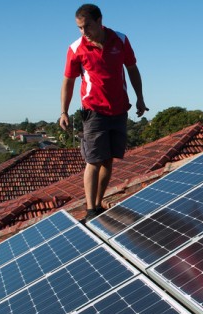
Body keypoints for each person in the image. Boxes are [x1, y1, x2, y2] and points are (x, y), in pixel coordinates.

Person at [59, 3, 147, 222]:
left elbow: (132, 68)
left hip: (119, 109)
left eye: (87, 26)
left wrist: (140, 98)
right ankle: (90, 210)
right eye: (79, 27)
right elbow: (68, 81)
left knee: (108, 160)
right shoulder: (76, 48)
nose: (83, 31)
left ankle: (98, 204)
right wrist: (64, 111)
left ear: (99, 21)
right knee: (94, 160)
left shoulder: (121, 39)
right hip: (94, 112)